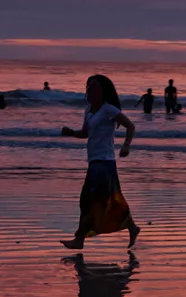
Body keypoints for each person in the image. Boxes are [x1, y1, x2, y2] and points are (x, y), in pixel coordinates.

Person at [60, 74, 140, 249]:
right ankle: (132, 227)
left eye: (94, 88)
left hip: (105, 161)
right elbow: (85, 133)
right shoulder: (89, 110)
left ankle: (79, 239)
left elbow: (130, 126)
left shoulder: (109, 109)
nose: (90, 91)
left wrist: (126, 146)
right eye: (88, 87)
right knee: (108, 200)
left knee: (89, 200)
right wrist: (71, 132)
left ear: (103, 91)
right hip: (94, 160)